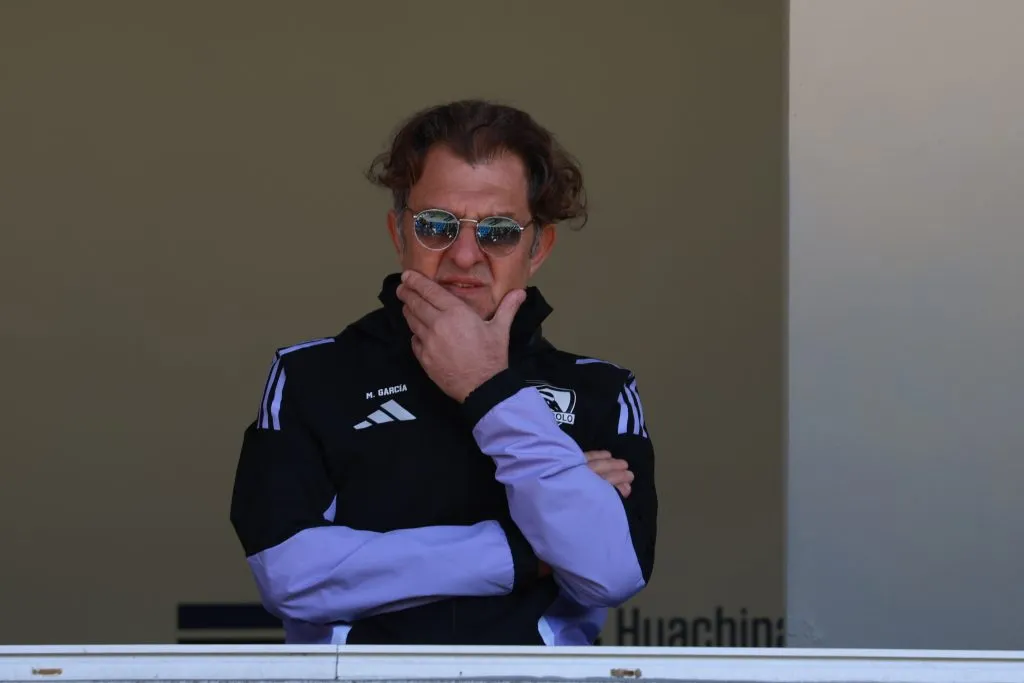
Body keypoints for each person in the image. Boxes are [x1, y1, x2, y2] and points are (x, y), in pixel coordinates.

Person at [229, 99, 658, 646]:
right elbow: (291, 575)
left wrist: (491, 391)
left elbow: (611, 573)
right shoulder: (312, 374)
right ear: (399, 232)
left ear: (538, 245)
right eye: (437, 225)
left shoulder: (600, 390)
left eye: (498, 231)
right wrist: (532, 549)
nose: (463, 255)